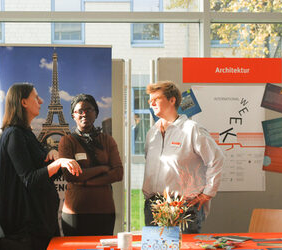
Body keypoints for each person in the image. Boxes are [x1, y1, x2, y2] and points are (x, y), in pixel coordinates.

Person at [0, 83, 82, 250]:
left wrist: (51, 161)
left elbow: (41, 177)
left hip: (39, 225)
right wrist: (59, 163)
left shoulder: (25, 134)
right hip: (27, 231)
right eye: (36, 97)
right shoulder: (14, 135)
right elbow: (30, 179)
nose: (41, 101)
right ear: (23, 102)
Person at [142, 81, 225, 233]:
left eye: (156, 99)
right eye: (150, 100)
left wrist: (208, 193)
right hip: (153, 206)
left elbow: (217, 159)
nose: (151, 103)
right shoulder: (152, 133)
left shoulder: (191, 129)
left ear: (172, 100)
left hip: (183, 207)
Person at [59, 93, 123, 236]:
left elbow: (118, 173)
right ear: (73, 115)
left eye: (88, 110)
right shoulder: (67, 141)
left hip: (104, 211)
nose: (84, 114)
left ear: (96, 113)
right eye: (79, 111)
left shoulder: (108, 140)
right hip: (75, 212)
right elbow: (70, 175)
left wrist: (85, 182)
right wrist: (103, 169)